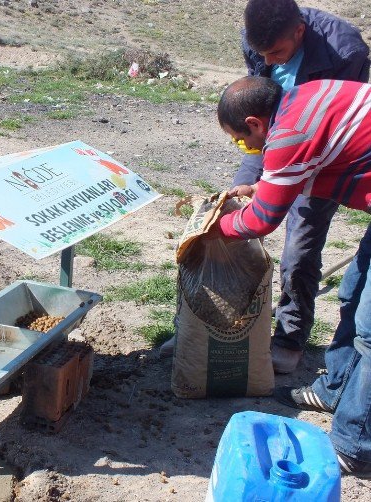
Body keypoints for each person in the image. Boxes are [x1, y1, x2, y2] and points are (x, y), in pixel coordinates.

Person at [160, 0, 370, 372]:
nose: (270, 63)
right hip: (287, 133)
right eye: (262, 55)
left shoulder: (346, 51)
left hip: (321, 146)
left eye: (277, 54)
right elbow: (257, 108)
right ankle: (206, 328)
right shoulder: (258, 44)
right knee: (353, 290)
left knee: (300, 247)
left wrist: (213, 230)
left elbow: (330, 144)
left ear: (299, 33)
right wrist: (249, 182)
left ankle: (290, 339)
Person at [216, 75, 371, 477]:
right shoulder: (301, 99)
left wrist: (217, 228)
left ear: (255, 122)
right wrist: (264, 186)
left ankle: (355, 445)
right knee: (353, 294)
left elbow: (263, 220)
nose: (247, 149)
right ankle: (335, 389)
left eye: (241, 140)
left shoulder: (287, 134)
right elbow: (318, 160)